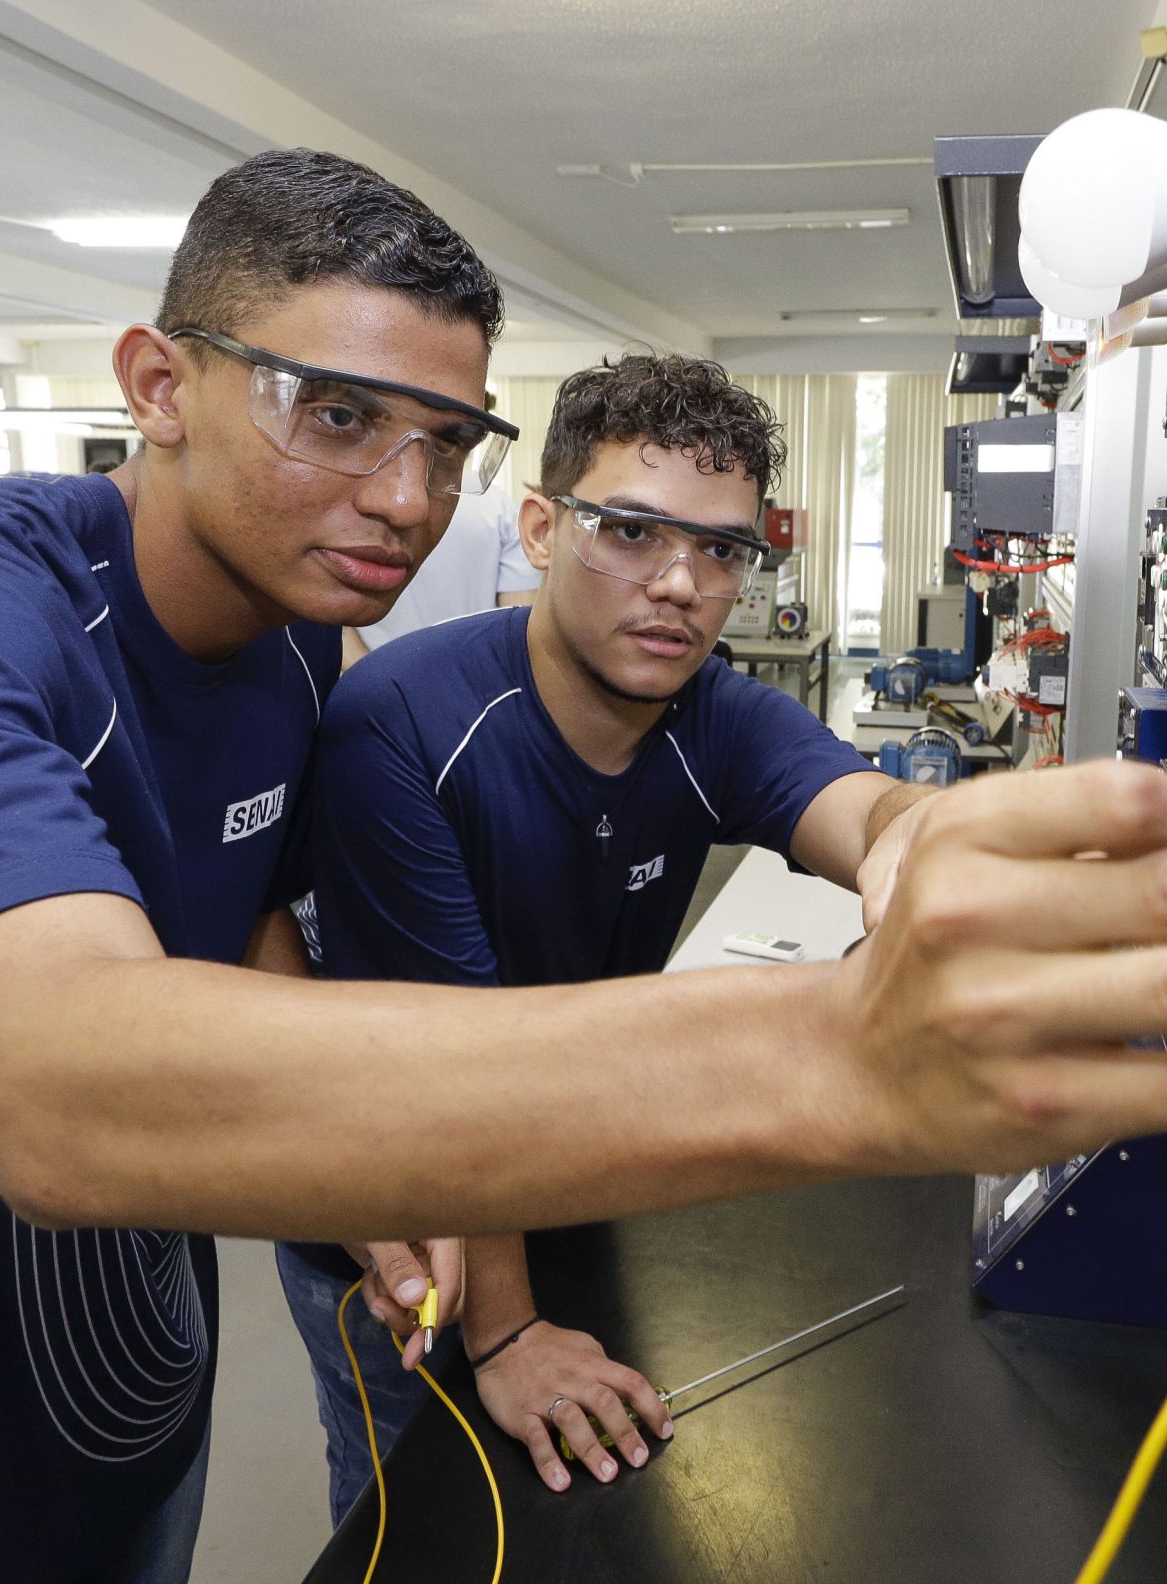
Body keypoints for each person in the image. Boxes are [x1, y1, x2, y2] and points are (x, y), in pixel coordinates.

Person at [0, 148, 1167, 1584]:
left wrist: (971, 861)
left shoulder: (284, 642)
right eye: (335, 411)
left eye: (443, 438)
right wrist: (851, 1055)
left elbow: (256, 925)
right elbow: (56, 1084)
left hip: (115, 1358)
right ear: (160, 382)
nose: (398, 494)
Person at [286, 353, 928, 1508]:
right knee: (415, 1510)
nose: (680, 582)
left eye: (722, 548)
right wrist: (507, 1330)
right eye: (630, 532)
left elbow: (865, 810)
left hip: (561, 1178)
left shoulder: (713, 717)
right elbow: (449, 1067)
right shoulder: (406, 726)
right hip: (408, 1218)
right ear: (540, 527)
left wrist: (924, 845)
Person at [340, 387, 539, 671]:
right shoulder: (501, 508)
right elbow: (517, 624)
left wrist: (374, 680)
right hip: (472, 679)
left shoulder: (368, 496)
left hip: (378, 677)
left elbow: (339, 628)